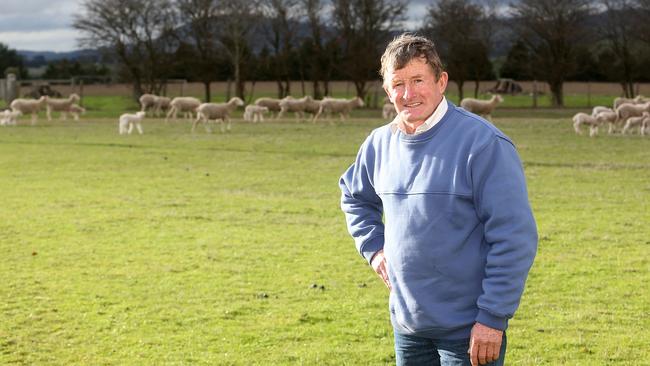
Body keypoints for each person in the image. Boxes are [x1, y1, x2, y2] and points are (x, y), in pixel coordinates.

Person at [339, 33, 538, 366]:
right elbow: (354, 196)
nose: (408, 94)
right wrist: (374, 250)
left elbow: (514, 237)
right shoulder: (378, 145)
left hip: (469, 331)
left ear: (441, 81)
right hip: (408, 327)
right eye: (398, 84)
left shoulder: (483, 144)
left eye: (418, 80)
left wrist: (492, 317)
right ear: (388, 91)